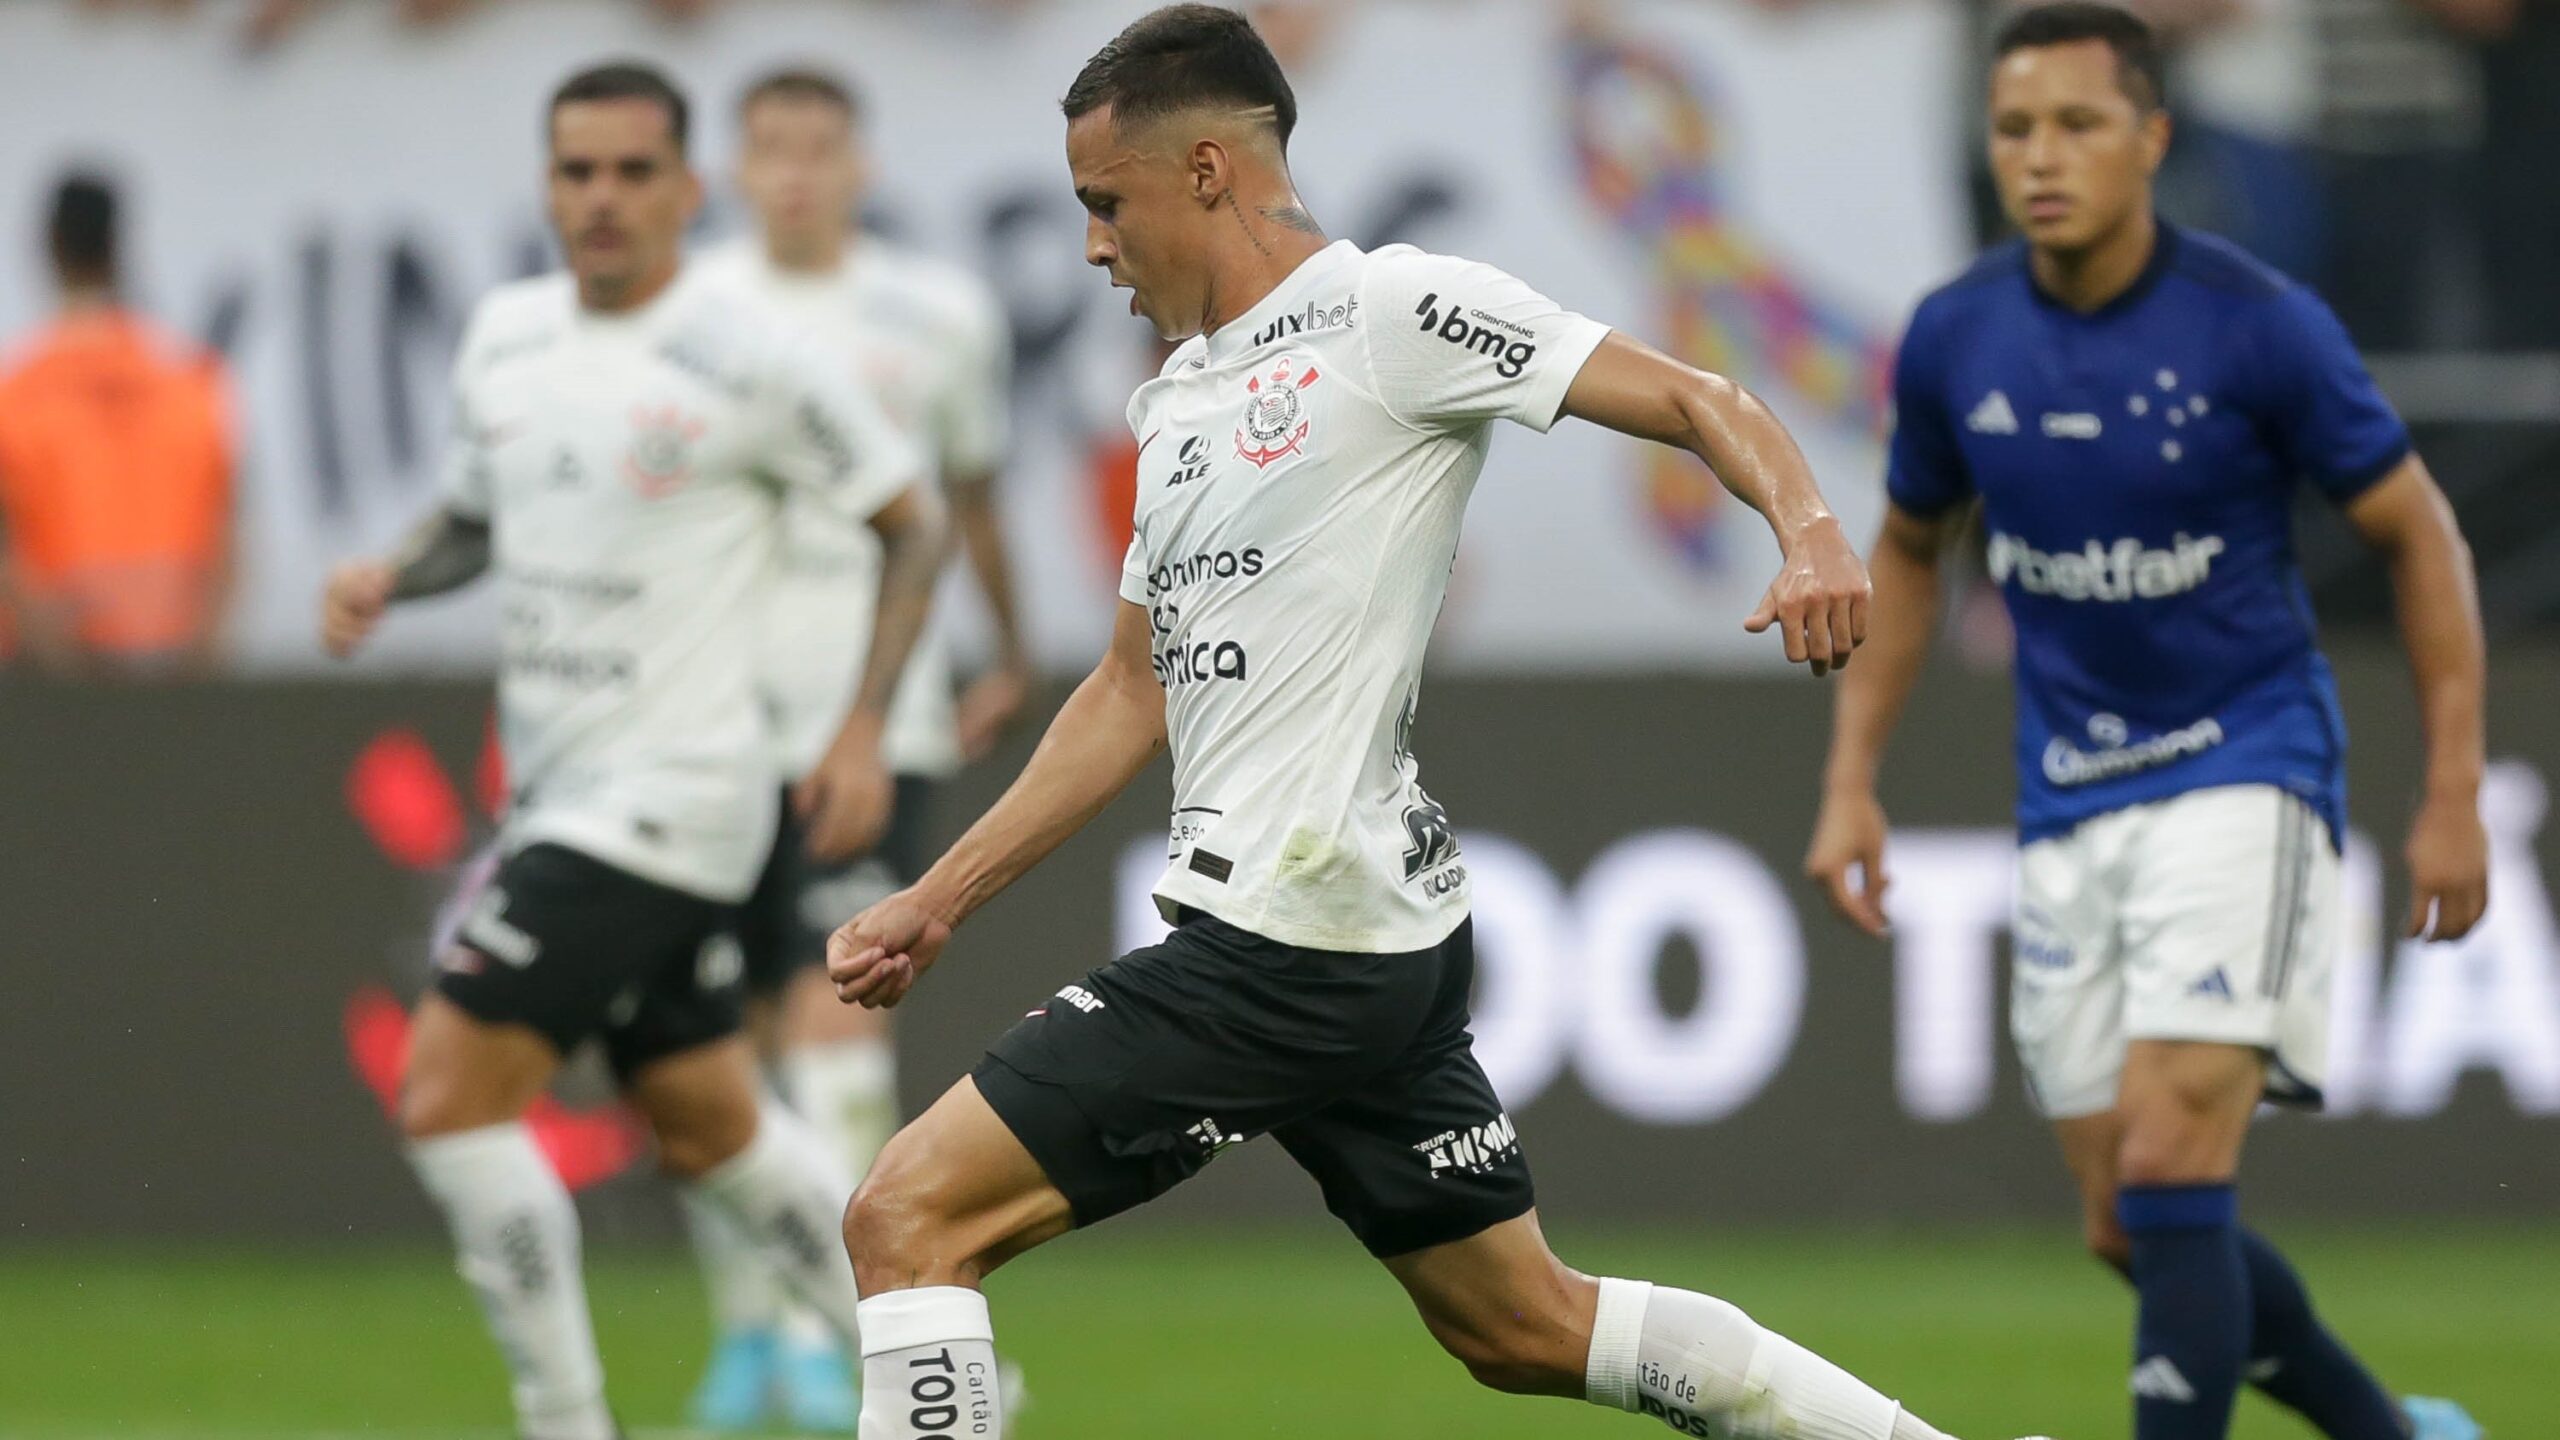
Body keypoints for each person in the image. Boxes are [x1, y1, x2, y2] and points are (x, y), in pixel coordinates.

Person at [824, 9, 2013, 1440]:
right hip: (1356, 940)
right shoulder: (1183, 400)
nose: (1093, 248)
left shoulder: (1391, 314)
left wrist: (1812, 529)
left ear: (1206, 170)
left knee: (906, 1220)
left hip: (1283, 938)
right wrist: (941, 897)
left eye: (1105, 203)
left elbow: (1700, 398)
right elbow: (1131, 691)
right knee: (1519, 1325)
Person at [1802, 8, 2487, 1440]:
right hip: (2071, 801)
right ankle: (2386, 1432)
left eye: (2078, 125)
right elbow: (1915, 550)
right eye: (2014, 129)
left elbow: (2420, 538)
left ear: (2153, 139)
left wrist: (2452, 791)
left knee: (2180, 1155)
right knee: (2130, 1221)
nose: (2040, 158)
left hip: (2246, 770)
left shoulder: (2259, 327)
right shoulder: (1957, 336)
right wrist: (1851, 776)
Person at [317, 62, 945, 1440]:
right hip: (560, 789)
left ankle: (565, 1421)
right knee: (714, 1128)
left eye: (630, 172)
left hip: (674, 799)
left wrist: (855, 728)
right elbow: (478, 522)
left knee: (447, 1090)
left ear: (684, 188)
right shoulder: (508, 340)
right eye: (576, 171)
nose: (600, 199)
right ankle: (954, 1383)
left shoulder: (751, 358)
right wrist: (391, 576)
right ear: (548, 184)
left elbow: (914, 522)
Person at [677, 67, 1029, 1432]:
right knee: (729, 1057)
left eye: (819, 146)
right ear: (735, 166)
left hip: (874, 717)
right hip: (712, 724)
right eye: (772, 148)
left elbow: (973, 499)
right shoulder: (693, 314)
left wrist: (1006, 646)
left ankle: (846, 1337)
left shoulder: (934, 315)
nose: (797, 173)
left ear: (858, 161)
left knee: (832, 1024)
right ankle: (753, 1335)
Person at [0, 171, 236, 675]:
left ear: (51, 247)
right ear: (117, 246)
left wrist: (70, 666)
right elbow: (230, 546)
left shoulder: (14, 400)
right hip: (175, 682)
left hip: (46, 695)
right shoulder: (193, 386)